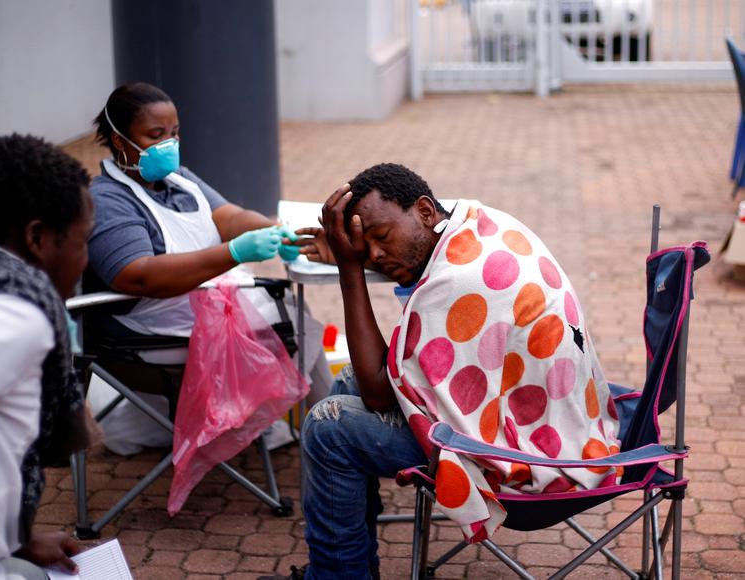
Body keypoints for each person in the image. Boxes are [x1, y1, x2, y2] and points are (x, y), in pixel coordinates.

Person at [263, 163, 621, 580]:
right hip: (556, 427)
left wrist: (350, 269)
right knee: (347, 382)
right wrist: (359, 254)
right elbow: (382, 377)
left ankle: (339, 576)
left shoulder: (455, 283)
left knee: (328, 429)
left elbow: (380, 392)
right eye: (365, 246)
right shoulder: (477, 225)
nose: (375, 254)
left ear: (424, 210)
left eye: (381, 237)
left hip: (529, 459)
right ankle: (348, 563)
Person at [86, 82, 331, 453]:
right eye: (156, 135)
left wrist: (277, 231)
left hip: (195, 316)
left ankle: (313, 424)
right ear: (120, 141)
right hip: (150, 338)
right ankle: (332, 433)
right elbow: (139, 276)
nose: (169, 143)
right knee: (292, 319)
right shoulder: (108, 200)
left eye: (174, 132)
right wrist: (233, 252)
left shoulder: (179, 180)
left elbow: (228, 217)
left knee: (290, 311)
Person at [0, 134, 94, 579]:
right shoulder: (16, 313)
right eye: (82, 241)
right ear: (38, 237)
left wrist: (15, 539)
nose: (85, 262)